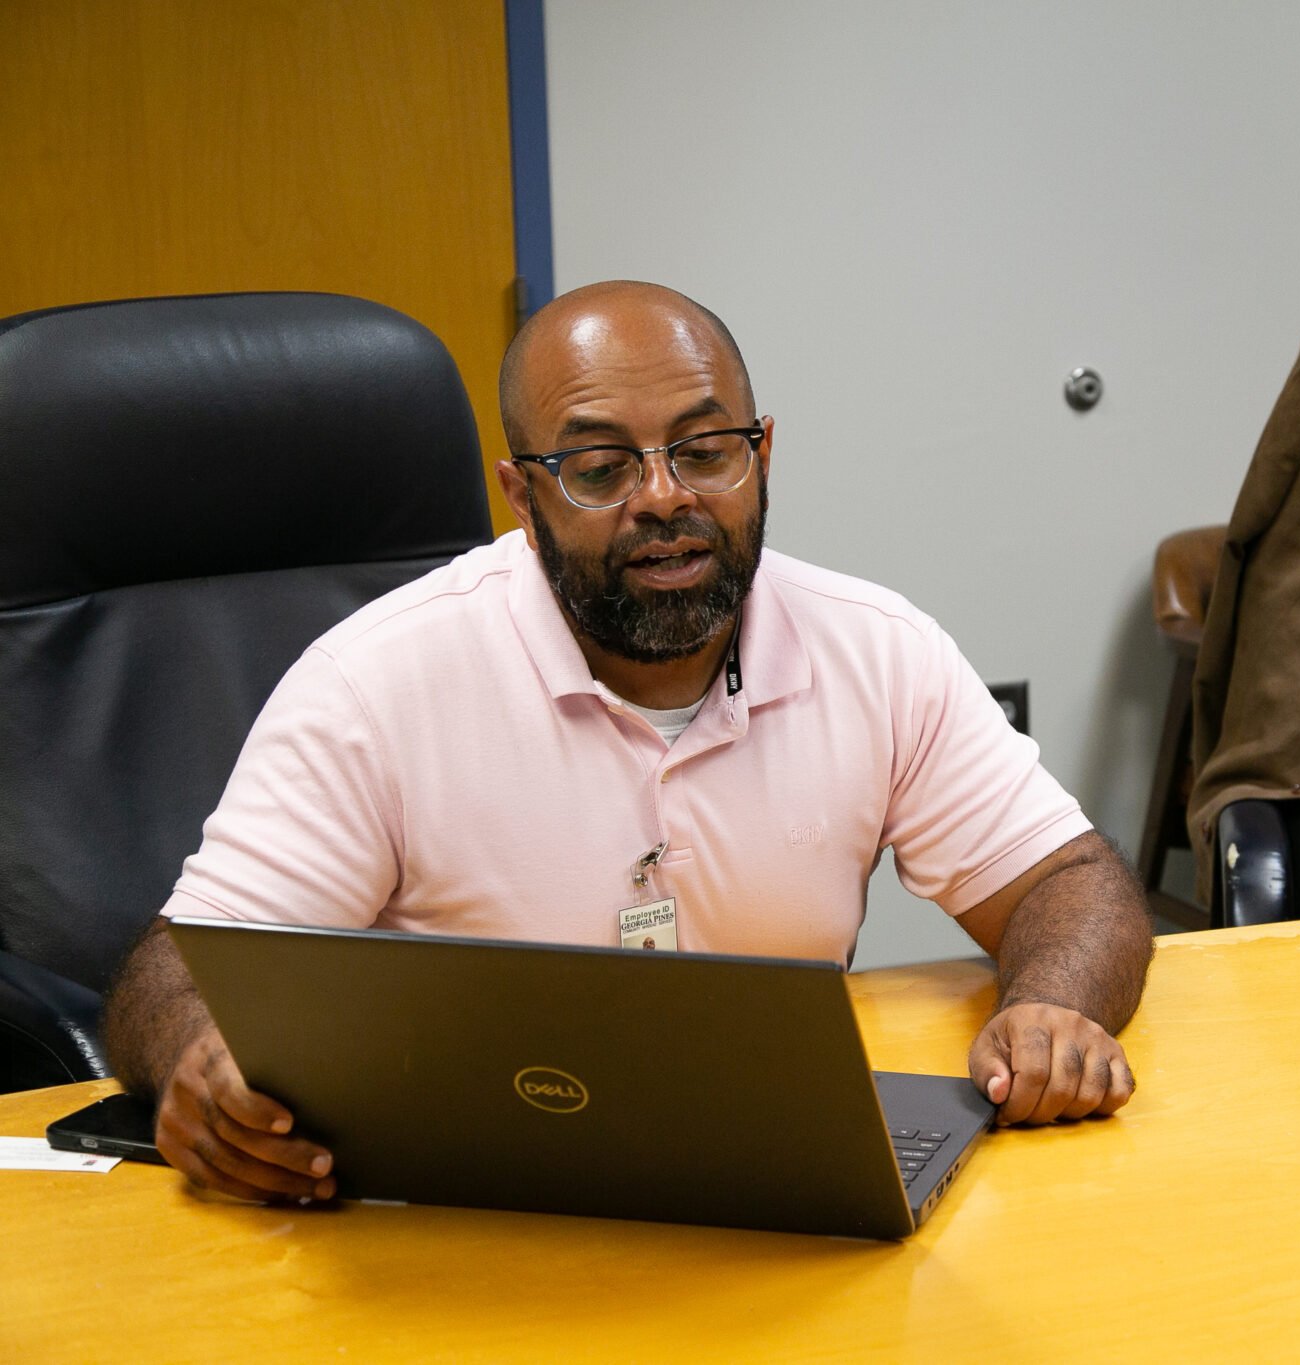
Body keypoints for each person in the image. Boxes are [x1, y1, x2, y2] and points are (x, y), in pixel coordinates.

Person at [104, 281, 1153, 1204]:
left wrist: (1050, 1012)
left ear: (762, 454)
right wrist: (198, 1060)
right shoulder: (373, 684)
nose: (665, 499)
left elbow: (1068, 881)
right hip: (466, 1211)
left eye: (705, 452)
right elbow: (175, 970)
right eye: (600, 469)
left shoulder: (876, 652)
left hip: (778, 1190)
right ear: (522, 496)